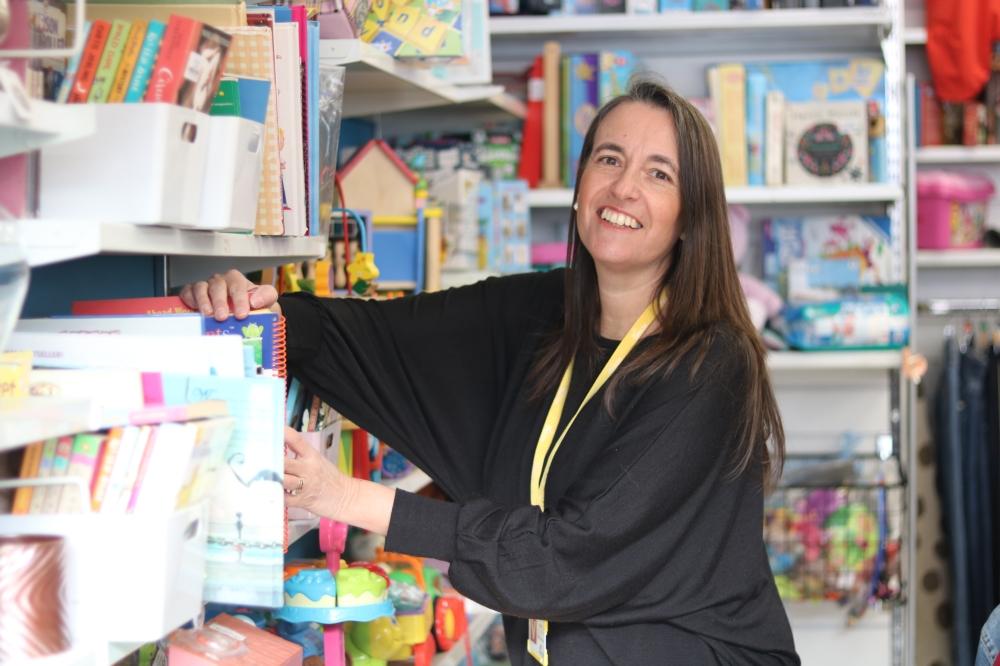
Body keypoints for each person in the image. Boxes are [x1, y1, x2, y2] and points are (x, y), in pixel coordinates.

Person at [181, 79, 800, 665]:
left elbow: (562, 558)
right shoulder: (540, 310)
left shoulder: (710, 365)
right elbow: (381, 337)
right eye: (609, 159)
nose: (624, 188)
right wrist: (259, 313)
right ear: (581, 184)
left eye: (659, 174)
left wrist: (343, 496)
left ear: (691, 216)